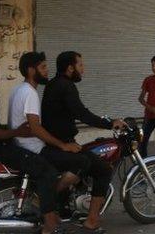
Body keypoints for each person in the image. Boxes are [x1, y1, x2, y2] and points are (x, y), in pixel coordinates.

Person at [0, 55, 63, 234]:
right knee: (47, 171)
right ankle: (50, 224)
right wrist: (17, 132)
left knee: (33, 168)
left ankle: (38, 202)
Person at [42, 51, 127, 233]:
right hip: (61, 145)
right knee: (104, 169)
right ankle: (91, 220)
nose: (83, 69)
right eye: (80, 65)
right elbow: (82, 113)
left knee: (86, 160)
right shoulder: (66, 86)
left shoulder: (54, 84)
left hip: (56, 143)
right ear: (70, 67)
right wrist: (110, 123)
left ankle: (66, 204)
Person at [8, 52, 86, 217]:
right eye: (42, 67)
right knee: (81, 162)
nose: (47, 71)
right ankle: (47, 197)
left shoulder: (18, 89)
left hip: (22, 145)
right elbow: (36, 128)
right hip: (34, 148)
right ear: (31, 70)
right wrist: (63, 145)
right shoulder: (30, 93)